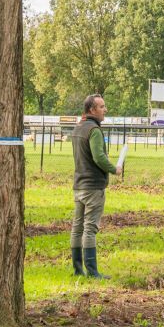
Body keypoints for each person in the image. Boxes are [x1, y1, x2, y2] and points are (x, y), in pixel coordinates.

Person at [70, 94, 122, 278]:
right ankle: (92, 272)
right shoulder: (94, 130)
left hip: (79, 186)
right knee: (90, 228)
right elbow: (99, 157)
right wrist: (114, 169)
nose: (105, 110)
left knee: (77, 227)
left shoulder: (77, 129)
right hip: (93, 187)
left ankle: (78, 270)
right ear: (92, 110)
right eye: (101, 107)